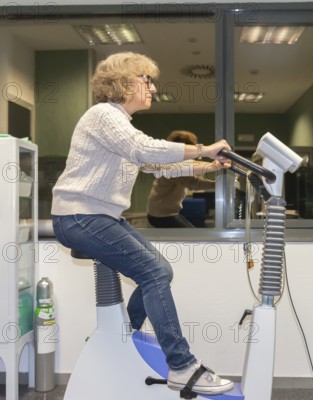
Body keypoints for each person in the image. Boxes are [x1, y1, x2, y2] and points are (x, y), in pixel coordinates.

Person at [50, 52, 234, 395]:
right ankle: (182, 365)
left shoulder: (120, 124)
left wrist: (208, 168)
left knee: (160, 269)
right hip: (78, 216)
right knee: (154, 273)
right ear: (122, 83)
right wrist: (203, 149)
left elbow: (156, 167)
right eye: (145, 80)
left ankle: (121, 338)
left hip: (98, 217)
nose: (152, 86)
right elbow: (144, 149)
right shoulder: (104, 115)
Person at [146, 130, 220, 228]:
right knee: (191, 236)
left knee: (190, 233)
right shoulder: (173, 165)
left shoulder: (181, 164)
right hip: (160, 214)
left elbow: (194, 177)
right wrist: (216, 184)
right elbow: (193, 183)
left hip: (168, 212)